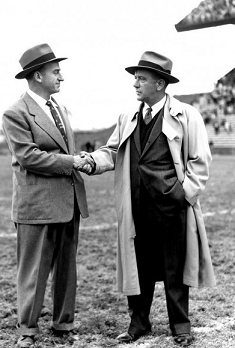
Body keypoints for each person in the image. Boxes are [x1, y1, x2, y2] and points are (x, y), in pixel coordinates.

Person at [78, 51, 216, 346]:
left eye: (141, 79)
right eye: (135, 79)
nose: (135, 85)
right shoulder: (127, 116)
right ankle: (138, 322)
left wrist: (183, 194)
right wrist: (92, 161)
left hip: (172, 206)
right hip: (137, 204)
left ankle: (180, 324)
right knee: (138, 264)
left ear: (160, 83)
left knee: (175, 267)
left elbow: (200, 161)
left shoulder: (187, 115)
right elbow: (113, 151)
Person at [2, 43, 93, 348]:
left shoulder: (60, 109)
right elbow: (29, 157)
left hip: (69, 202)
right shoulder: (15, 112)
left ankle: (63, 326)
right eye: (56, 72)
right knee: (34, 272)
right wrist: (72, 162)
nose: (61, 77)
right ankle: (27, 331)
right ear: (38, 75)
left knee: (67, 268)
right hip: (37, 206)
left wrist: (79, 158)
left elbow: (63, 152)